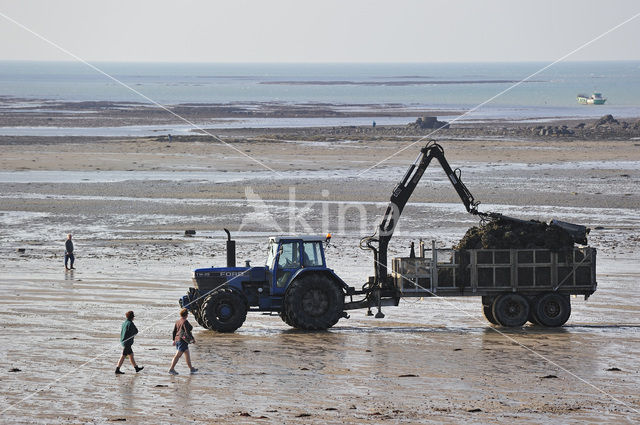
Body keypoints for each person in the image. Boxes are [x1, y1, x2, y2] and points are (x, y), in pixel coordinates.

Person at [169, 308, 197, 375]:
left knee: (187, 354)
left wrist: (174, 340)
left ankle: (191, 369)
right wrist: (192, 339)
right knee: (177, 355)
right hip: (182, 340)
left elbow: (174, 331)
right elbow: (187, 331)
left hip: (178, 339)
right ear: (186, 315)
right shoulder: (185, 321)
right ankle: (171, 369)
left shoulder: (178, 321)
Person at [116, 311, 144, 375]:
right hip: (127, 343)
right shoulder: (130, 323)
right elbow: (136, 331)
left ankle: (136, 368)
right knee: (123, 356)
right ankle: (117, 369)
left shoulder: (124, 323)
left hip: (123, 341)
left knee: (131, 355)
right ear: (132, 317)